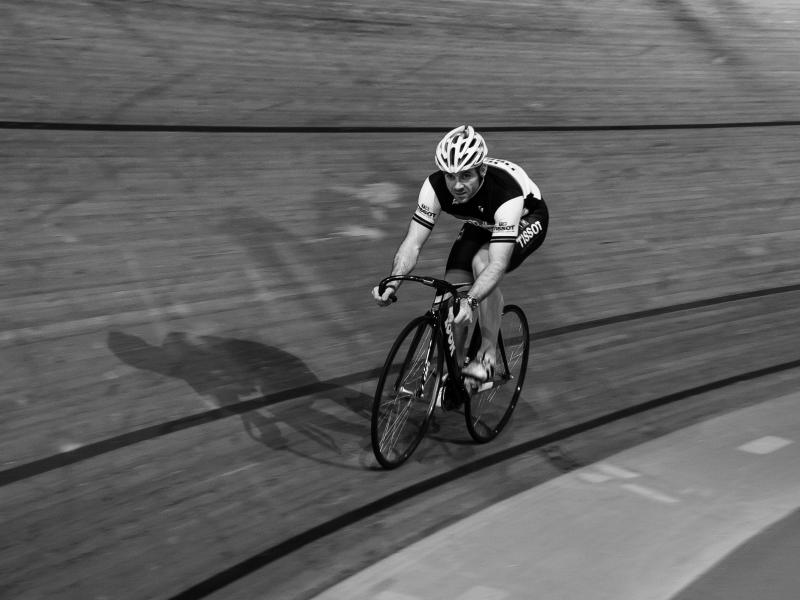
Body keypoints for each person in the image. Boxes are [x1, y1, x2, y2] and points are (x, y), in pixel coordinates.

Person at [371, 125, 548, 385]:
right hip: (481, 222)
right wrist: (393, 281)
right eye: (450, 176)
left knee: (481, 263)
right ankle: (454, 370)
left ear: (482, 170)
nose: (457, 185)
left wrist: (472, 301)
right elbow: (412, 244)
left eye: (466, 176)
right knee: (452, 288)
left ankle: (487, 358)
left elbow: (497, 264)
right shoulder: (434, 186)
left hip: (525, 219)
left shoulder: (505, 194)